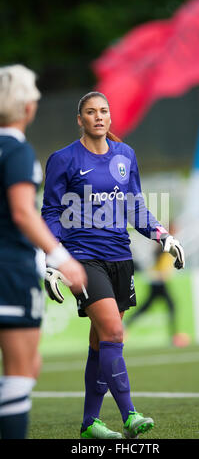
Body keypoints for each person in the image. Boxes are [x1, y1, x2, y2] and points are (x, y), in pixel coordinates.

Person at [42, 91, 185, 439]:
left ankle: (90, 422)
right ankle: (130, 414)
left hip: (122, 257)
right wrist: (52, 258)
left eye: (104, 111)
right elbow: (50, 212)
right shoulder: (63, 159)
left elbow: (136, 204)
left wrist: (162, 235)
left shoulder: (126, 155)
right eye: (90, 112)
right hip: (84, 260)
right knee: (115, 334)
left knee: (101, 342)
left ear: (110, 116)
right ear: (80, 119)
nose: (98, 117)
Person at [0, 64, 87, 440]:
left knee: (27, 367)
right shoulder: (17, 151)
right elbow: (22, 211)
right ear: (29, 108)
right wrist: (61, 257)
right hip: (10, 271)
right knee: (21, 373)